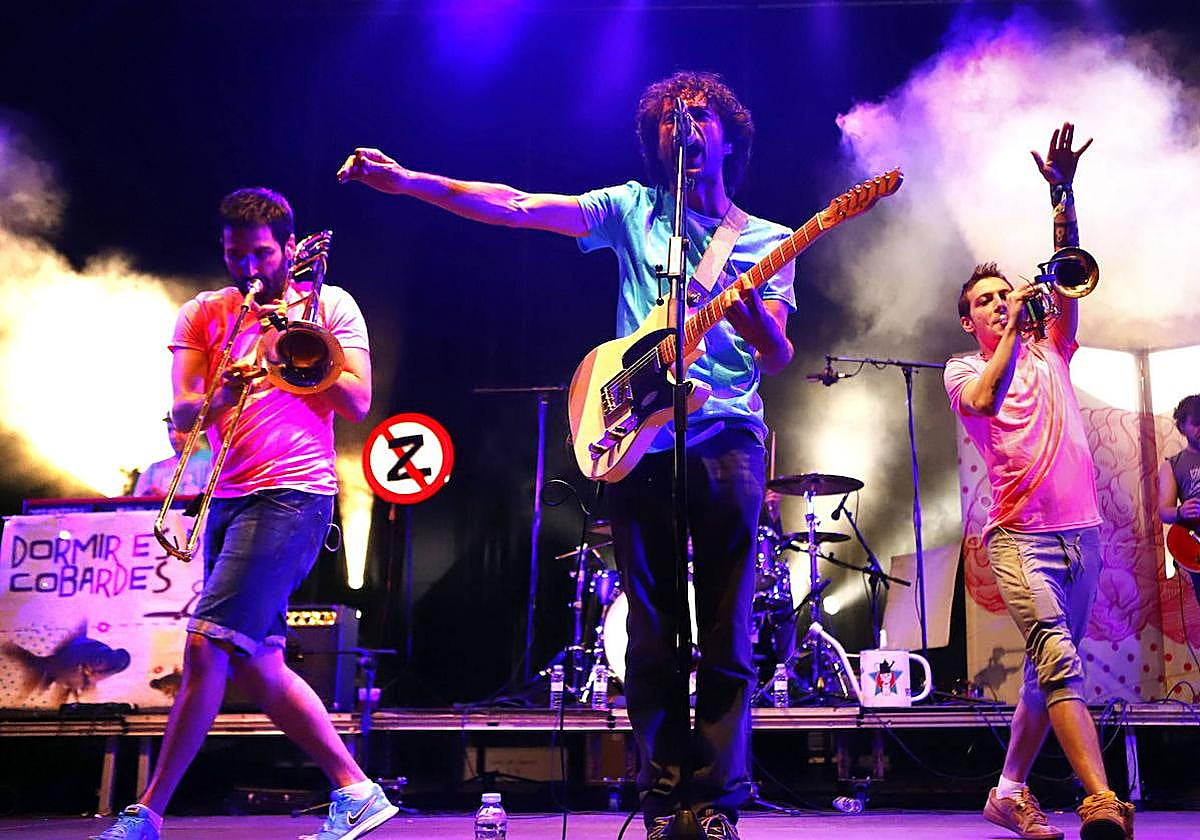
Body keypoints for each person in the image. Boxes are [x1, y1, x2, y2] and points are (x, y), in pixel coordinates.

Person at [339, 70, 795, 840]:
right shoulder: (631, 209)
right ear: (655, 141)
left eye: (698, 116)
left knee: (725, 632)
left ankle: (717, 802)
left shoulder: (769, 239)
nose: (682, 128)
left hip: (729, 439)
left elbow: (777, 354)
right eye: (667, 120)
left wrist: (751, 317)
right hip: (639, 437)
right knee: (651, 631)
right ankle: (663, 801)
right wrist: (410, 181)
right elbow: (516, 205)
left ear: (728, 136)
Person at [93, 188, 392, 840]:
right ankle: (356, 789)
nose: (250, 267)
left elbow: (358, 401)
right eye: (236, 255)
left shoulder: (331, 306)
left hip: (294, 495)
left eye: (262, 253)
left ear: (290, 247)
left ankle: (148, 811)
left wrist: (291, 341)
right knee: (259, 663)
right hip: (229, 497)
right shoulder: (204, 314)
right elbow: (183, 416)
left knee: (207, 645)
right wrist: (222, 389)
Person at [944, 124, 1133, 840]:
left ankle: (1007, 791)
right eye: (986, 301)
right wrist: (1013, 331)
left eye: (1005, 295)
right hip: (1021, 540)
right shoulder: (964, 369)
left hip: (1083, 537)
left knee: (1043, 673)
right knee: (1059, 665)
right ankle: (1102, 800)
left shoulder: (1054, 347)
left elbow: (1070, 271)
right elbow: (986, 400)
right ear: (969, 320)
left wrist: (1063, 195)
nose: (1000, 303)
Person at [1157, 394, 1200, 602]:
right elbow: (1164, 512)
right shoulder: (1171, 465)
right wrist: (1181, 512)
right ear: (1182, 426)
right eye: (1196, 423)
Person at [131, 413, 213, 497]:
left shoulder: (212, 462)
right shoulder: (154, 468)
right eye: (169, 430)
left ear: (198, 431)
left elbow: (211, 498)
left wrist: (167, 498)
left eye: (180, 430)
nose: (173, 436)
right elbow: (137, 499)